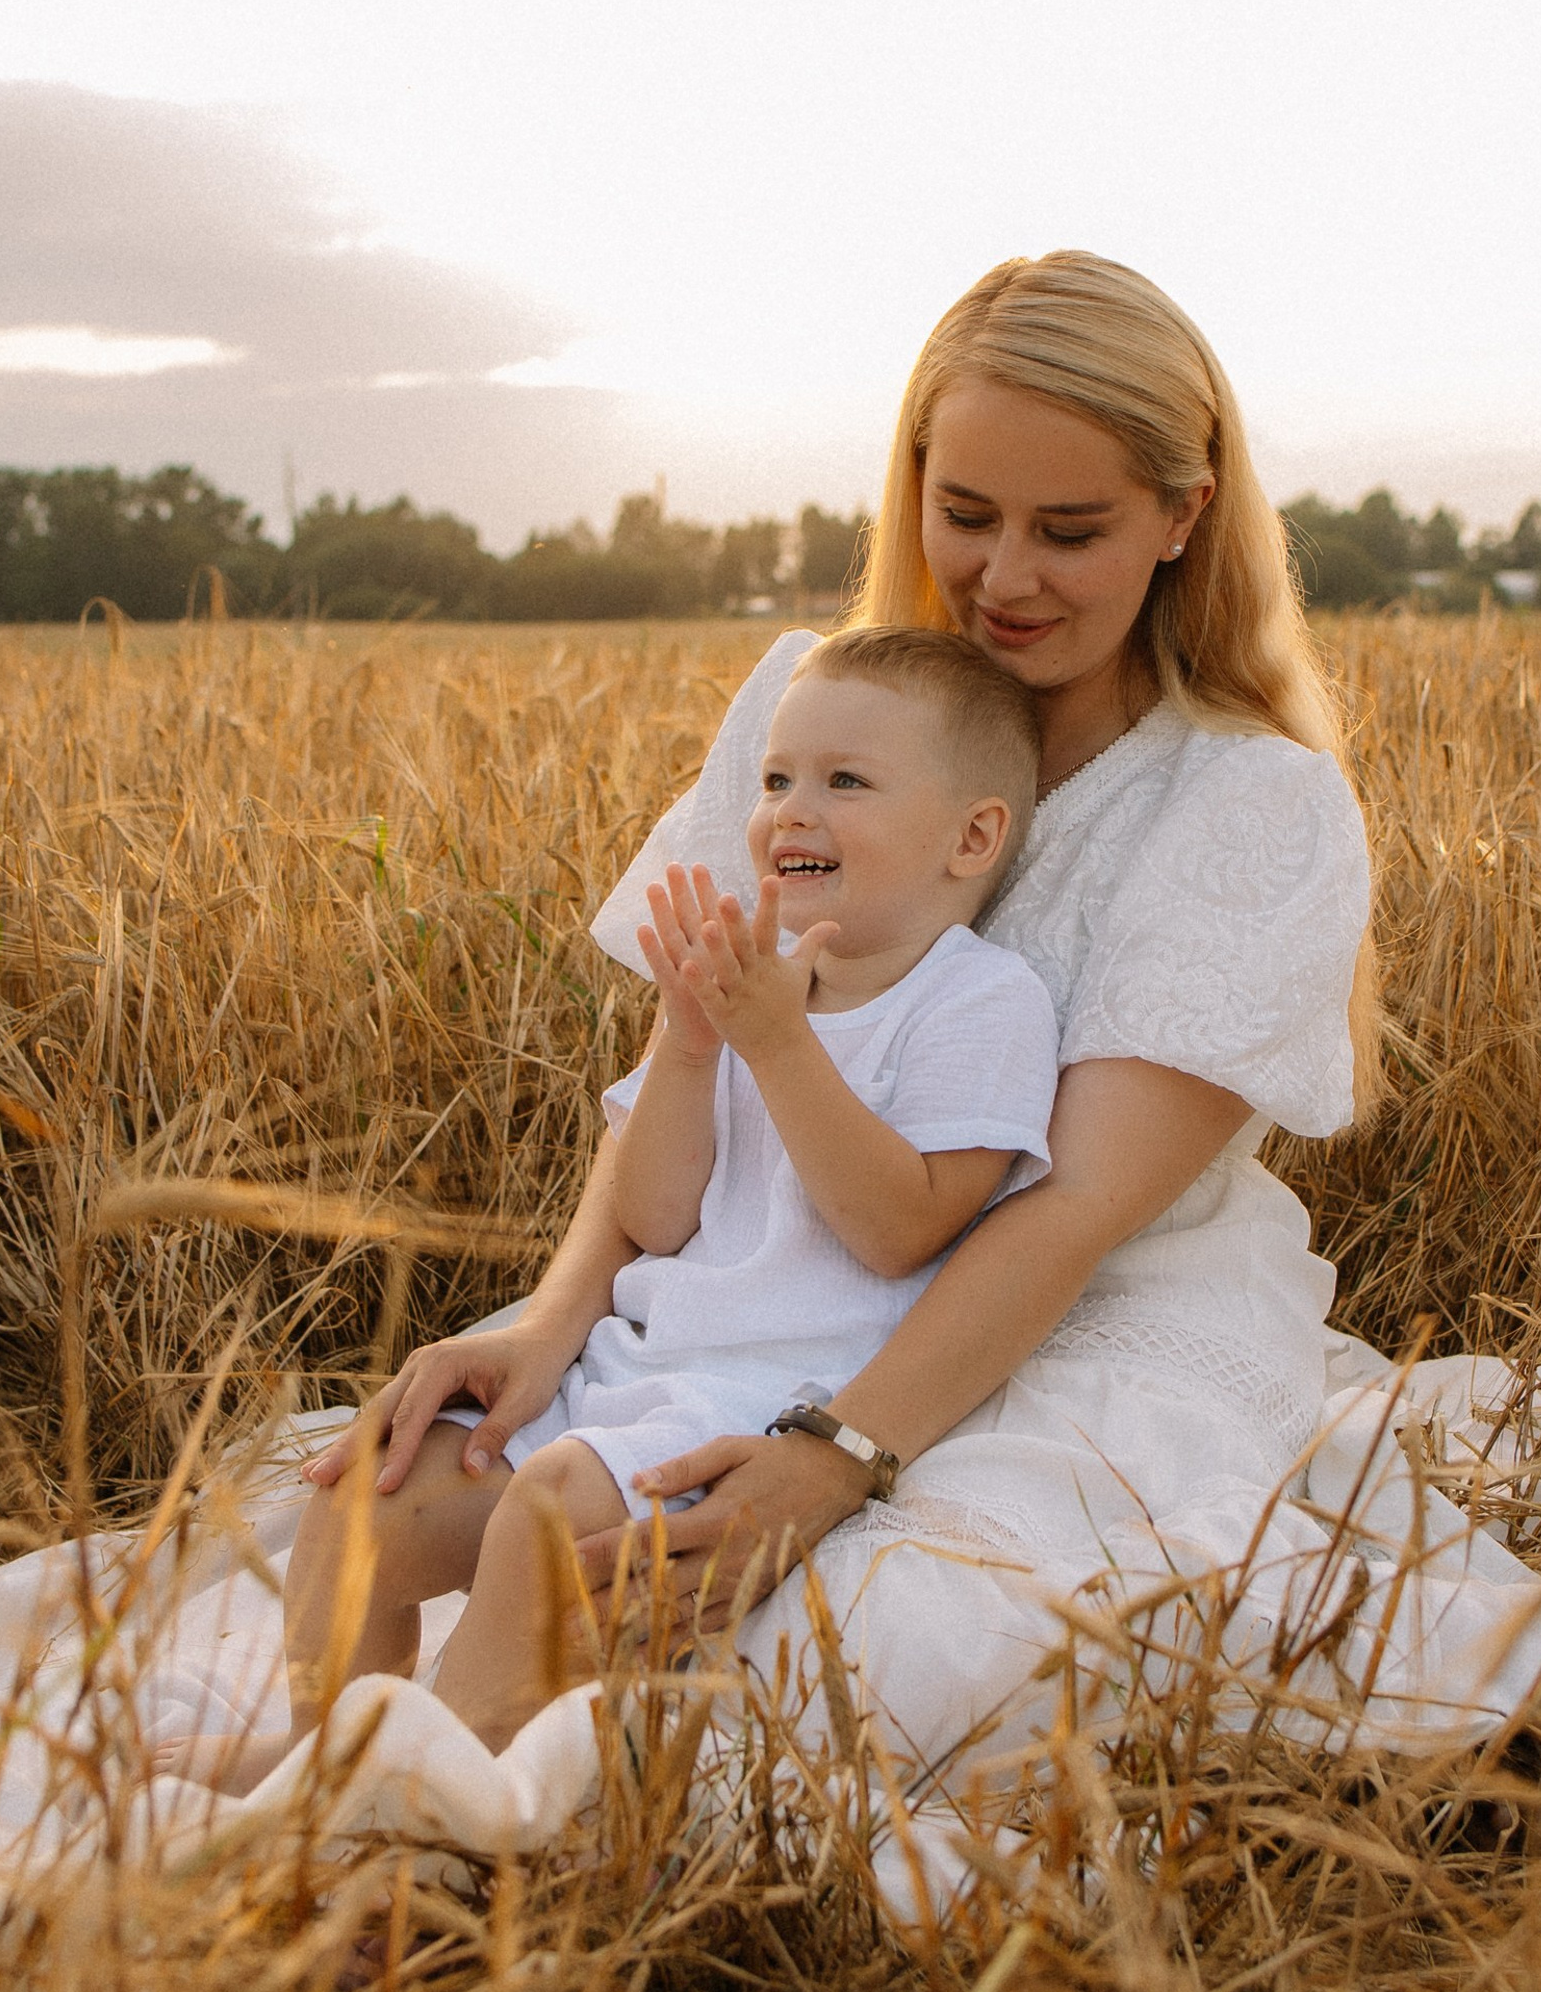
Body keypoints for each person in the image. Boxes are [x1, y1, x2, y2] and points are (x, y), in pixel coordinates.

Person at [296, 249, 1541, 1842]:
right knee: (376, 1501)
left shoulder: (1249, 804)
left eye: (1069, 530)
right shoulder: (823, 708)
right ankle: (377, 1801)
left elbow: (1069, 1213)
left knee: (801, 1663)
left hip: (1089, 1318)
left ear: (1183, 513)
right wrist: (550, 1323)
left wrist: (834, 1457)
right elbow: (686, 1071)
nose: (1005, 574)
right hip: (766, 1283)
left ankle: (440, 1829)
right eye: (966, 513)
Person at [166, 627, 1060, 1786]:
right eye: (778, 778)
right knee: (358, 1499)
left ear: (972, 836)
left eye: (845, 782)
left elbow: (904, 1228)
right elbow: (656, 1213)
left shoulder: (977, 1000)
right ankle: (321, 1749)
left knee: (548, 1522)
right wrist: (691, 1051)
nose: (791, 809)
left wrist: (777, 1045)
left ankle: (432, 1802)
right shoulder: (742, 972)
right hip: (627, 1360)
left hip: (771, 1393)